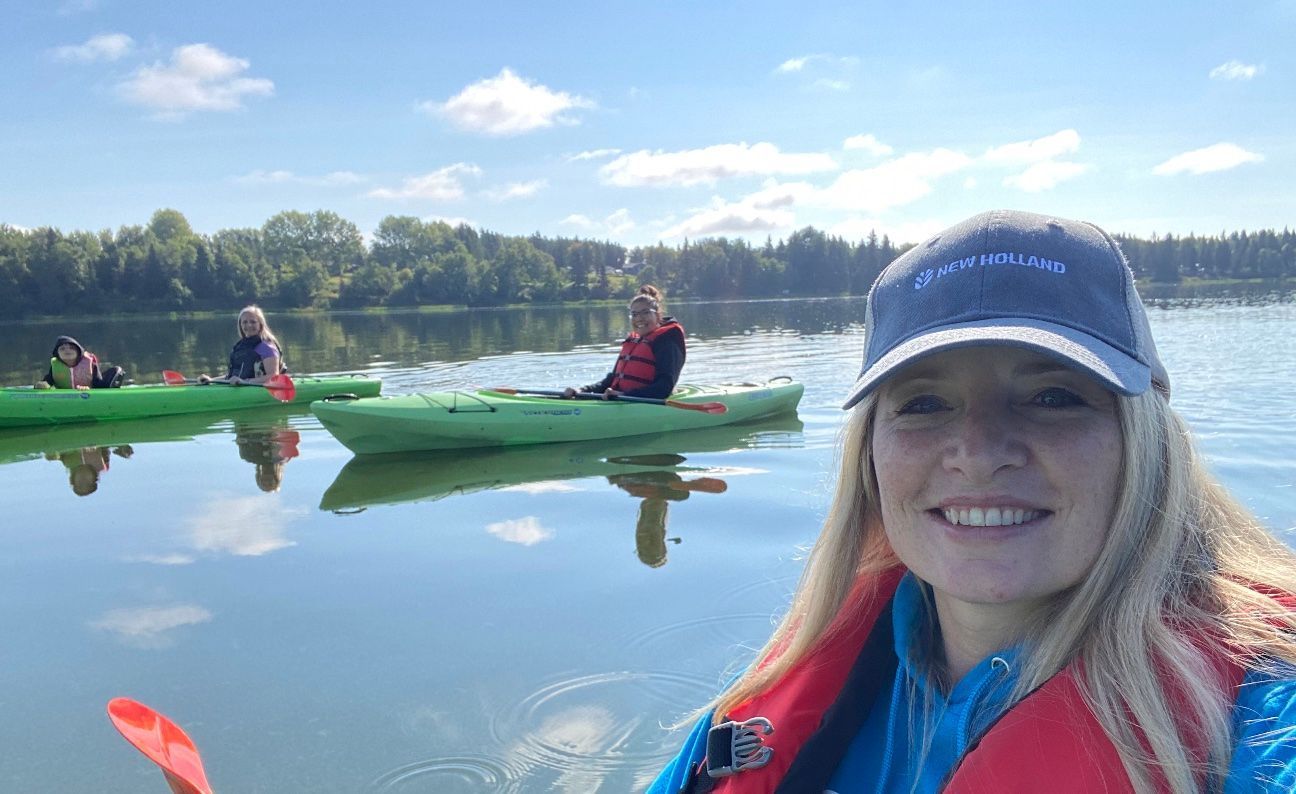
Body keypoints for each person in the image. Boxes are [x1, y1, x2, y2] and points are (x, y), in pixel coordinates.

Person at [649, 210, 1296, 793]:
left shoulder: (1266, 725)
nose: (980, 452)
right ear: (869, 457)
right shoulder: (785, 686)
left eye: (1053, 396)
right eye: (925, 403)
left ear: (1145, 443)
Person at [563, 285, 685, 400]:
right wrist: (581, 391)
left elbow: (664, 388)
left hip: (646, 402)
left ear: (658, 316)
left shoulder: (667, 342)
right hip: (624, 400)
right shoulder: (634, 341)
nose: (639, 318)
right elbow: (611, 380)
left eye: (646, 312)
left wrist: (624, 394)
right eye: (634, 314)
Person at [198, 305, 285, 386]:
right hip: (241, 387)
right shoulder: (240, 347)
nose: (249, 325)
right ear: (240, 325)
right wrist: (211, 380)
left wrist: (245, 382)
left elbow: (274, 377)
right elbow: (232, 376)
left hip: (256, 389)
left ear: (260, 324)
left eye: (253, 322)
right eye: (245, 322)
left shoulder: (267, 347)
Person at [33, 335, 125, 390]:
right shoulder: (55, 366)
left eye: (71, 348)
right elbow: (48, 381)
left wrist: (88, 389)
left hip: (87, 394)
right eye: (62, 349)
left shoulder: (89, 363)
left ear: (78, 352)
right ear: (57, 354)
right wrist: (43, 384)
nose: (67, 350)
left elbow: (98, 384)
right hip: (65, 397)